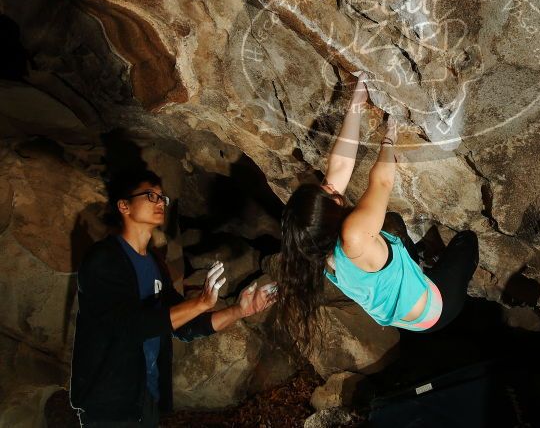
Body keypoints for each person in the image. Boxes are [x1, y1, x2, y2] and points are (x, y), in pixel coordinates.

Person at [276, 72, 479, 344]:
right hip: (434, 310)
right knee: (468, 241)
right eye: (326, 192)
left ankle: (414, 263)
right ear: (330, 212)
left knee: (392, 221)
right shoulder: (354, 235)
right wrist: (389, 140)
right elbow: (382, 181)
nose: (329, 185)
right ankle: (432, 270)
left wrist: (357, 102)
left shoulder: (315, 244)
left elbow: (339, 166)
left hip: (397, 311)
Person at [70, 169, 276, 427]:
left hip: (145, 397)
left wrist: (239, 310)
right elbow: (127, 326)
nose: (160, 202)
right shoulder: (103, 260)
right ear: (124, 205)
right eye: (150, 195)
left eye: (162, 198)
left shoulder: (155, 264)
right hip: (109, 401)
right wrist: (199, 302)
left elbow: (184, 324)